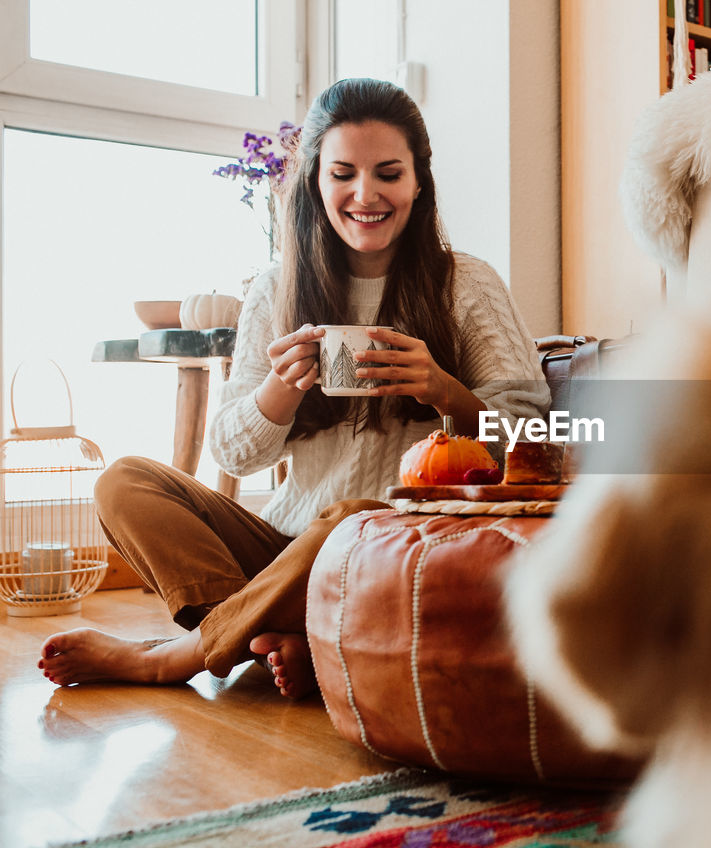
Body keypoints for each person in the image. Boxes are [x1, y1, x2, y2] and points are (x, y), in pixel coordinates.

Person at [37, 78, 550, 697]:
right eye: (343, 174)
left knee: (358, 517)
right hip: (285, 551)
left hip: (386, 552)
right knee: (123, 480)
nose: (366, 194)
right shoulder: (275, 290)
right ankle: (277, 639)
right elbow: (233, 454)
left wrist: (444, 391)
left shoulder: (466, 283)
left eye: (389, 173)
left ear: (419, 181)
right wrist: (277, 393)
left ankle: (167, 660)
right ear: (315, 181)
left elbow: (533, 435)